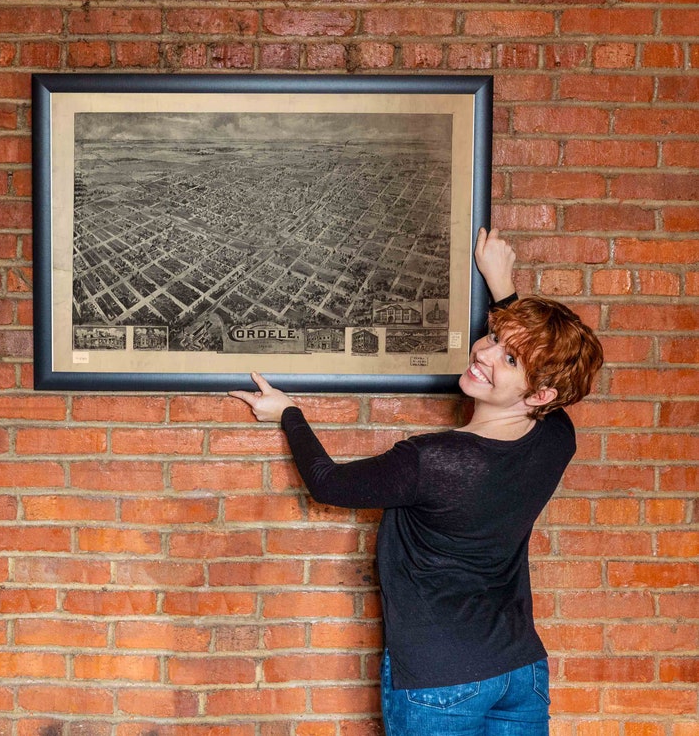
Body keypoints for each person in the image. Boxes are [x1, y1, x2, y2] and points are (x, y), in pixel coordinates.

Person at [229, 227, 604, 735]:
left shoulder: (431, 460)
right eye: (494, 338)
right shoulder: (557, 438)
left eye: (508, 360)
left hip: (440, 680)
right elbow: (545, 377)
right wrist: (503, 286)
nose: (485, 353)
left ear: (538, 395)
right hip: (521, 671)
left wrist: (289, 412)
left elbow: (328, 485)